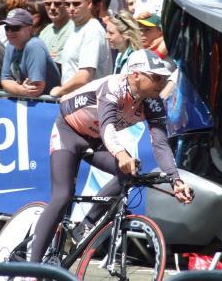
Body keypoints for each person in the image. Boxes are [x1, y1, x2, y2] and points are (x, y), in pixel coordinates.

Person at [29, 48, 193, 263]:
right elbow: (107, 126)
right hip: (69, 132)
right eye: (156, 77)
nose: (161, 83)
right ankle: (30, 268)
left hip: (96, 141)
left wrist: (175, 179)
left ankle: (86, 224)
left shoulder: (153, 102)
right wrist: (121, 153)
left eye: (163, 78)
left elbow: (160, 143)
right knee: (62, 197)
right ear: (136, 75)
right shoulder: (114, 87)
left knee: (130, 173)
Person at [50, 0, 112, 97]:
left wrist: (60, 90)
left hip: (88, 105)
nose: (71, 8)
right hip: (75, 102)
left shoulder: (92, 31)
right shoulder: (77, 27)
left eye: (76, 3)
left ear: (89, 3)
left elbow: (84, 77)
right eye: (67, 5)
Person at [0, 8, 61, 97]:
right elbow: (5, 80)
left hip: (46, 105)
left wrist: (15, 87)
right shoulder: (10, 45)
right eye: (7, 28)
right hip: (28, 103)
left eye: (15, 28)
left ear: (29, 29)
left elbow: (35, 89)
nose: (9, 32)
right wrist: (21, 89)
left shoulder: (34, 45)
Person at [39, 0, 74, 71]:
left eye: (57, 4)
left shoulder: (75, 29)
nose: (52, 7)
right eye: (48, 4)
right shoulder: (45, 31)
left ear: (67, 5)